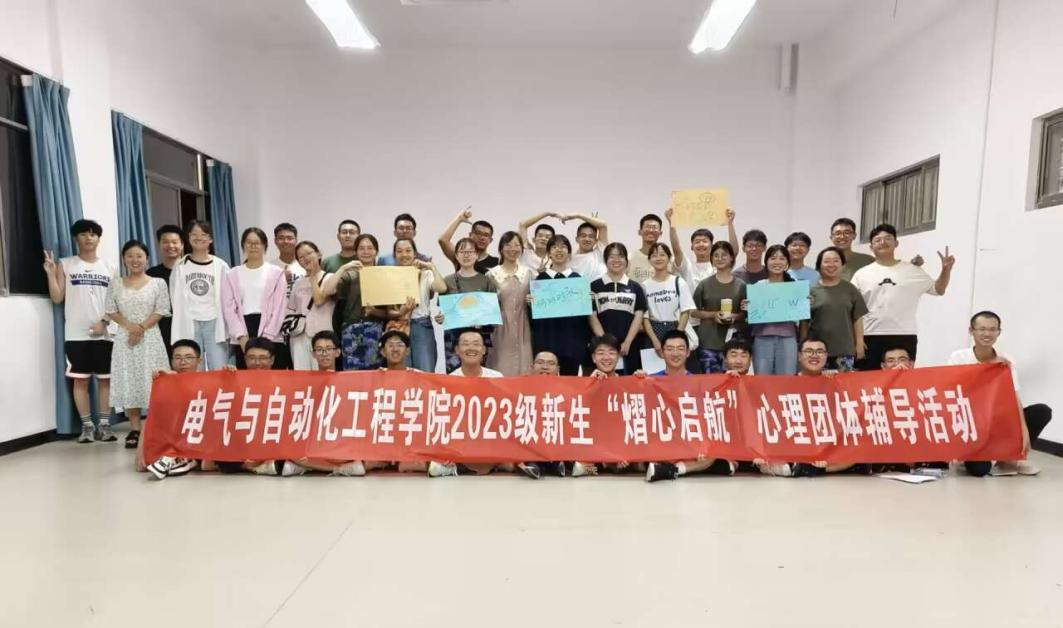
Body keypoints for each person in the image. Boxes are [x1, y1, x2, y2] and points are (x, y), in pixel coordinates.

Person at [947, 311, 1051, 476]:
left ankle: (1008, 458)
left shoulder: (1006, 360)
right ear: (971, 331)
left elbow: (1014, 396)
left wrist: (1024, 430)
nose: (987, 334)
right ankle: (977, 456)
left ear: (998, 332)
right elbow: (954, 393)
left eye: (992, 329)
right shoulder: (958, 357)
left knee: (1041, 411)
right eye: (982, 329)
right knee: (979, 470)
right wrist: (988, 368)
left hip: (998, 420)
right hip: (973, 423)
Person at [43, 219, 117, 443]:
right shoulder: (66, 264)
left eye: (93, 234)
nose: (88, 238)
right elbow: (57, 297)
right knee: (80, 381)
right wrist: (50, 273)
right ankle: (87, 426)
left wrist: (104, 322)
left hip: (105, 333)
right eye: (84, 234)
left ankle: (104, 425)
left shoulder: (110, 266)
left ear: (98, 239)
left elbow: (116, 301)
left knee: (105, 381)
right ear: (76, 238)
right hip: (76, 334)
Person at [851, 223, 954, 370]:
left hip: (904, 334)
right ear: (871, 247)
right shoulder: (861, 274)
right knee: (868, 379)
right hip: (870, 334)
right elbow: (854, 308)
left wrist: (945, 270)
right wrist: (858, 339)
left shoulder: (912, 270)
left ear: (896, 243)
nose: (883, 242)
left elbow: (938, 290)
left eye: (888, 238)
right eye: (877, 240)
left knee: (903, 379)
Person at [105, 240, 172, 450]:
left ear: (147, 259)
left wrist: (140, 328)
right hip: (125, 338)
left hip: (150, 337)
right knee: (129, 380)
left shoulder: (158, 283)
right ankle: (135, 428)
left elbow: (161, 309)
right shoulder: (115, 283)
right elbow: (111, 309)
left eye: (139, 256)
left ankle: (155, 427)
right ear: (124, 259)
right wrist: (130, 327)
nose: (135, 260)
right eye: (130, 256)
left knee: (154, 381)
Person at [644, 330, 736, 482]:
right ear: (662, 353)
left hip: (690, 441)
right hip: (663, 440)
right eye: (670, 349)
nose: (675, 353)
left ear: (688, 353)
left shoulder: (699, 383)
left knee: (713, 452)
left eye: (680, 349)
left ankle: (674, 470)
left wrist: (733, 382)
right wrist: (637, 382)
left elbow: (705, 420)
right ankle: (694, 467)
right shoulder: (650, 381)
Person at [428, 330, 510, 477]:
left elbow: (505, 415)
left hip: (490, 437)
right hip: (461, 439)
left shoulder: (497, 377)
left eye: (476, 344)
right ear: (457, 350)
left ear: (484, 350)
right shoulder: (449, 381)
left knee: (508, 460)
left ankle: (459, 467)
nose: (471, 348)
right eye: (465, 344)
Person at [785, 337, 869, 477]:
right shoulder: (786, 384)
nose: (814, 355)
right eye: (809, 351)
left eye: (820, 352)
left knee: (861, 446)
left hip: (828, 440)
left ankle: (818, 469)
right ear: (799, 356)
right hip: (800, 438)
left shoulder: (836, 381)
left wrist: (838, 384)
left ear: (826, 356)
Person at [320, 234, 391, 370]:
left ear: (376, 251)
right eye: (361, 248)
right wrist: (343, 268)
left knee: (374, 372)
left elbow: (389, 312)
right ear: (356, 251)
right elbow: (328, 290)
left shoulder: (383, 275)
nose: (366, 252)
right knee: (351, 373)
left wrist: (374, 311)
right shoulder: (350, 274)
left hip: (375, 329)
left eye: (370, 248)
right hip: (351, 329)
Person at [222, 228, 289, 369]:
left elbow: (279, 308)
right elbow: (228, 308)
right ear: (243, 245)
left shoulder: (276, 273)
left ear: (265, 246)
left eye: (257, 243)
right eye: (249, 242)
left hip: (270, 330)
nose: (253, 246)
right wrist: (240, 336)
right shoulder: (232, 274)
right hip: (243, 330)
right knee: (245, 376)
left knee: (273, 375)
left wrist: (267, 337)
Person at [170, 220, 230, 370]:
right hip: (190, 321)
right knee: (193, 369)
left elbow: (228, 297)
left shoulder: (221, 265)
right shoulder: (180, 266)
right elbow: (174, 297)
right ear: (188, 237)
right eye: (194, 234)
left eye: (203, 234)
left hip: (214, 321)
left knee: (219, 367)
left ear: (211, 239)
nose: (199, 238)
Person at [145, 339, 207, 479]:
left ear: (199, 360)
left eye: (189, 357)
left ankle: (178, 459)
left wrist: (230, 374)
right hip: (173, 438)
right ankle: (176, 459)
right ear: (171, 361)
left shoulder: (209, 382)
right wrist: (141, 454)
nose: (183, 362)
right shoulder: (166, 381)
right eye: (178, 358)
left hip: (198, 436)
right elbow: (153, 418)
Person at [530, 235, 592, 376]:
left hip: (572, 343)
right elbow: (534, 318)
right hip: (546, 341)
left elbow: (584, 318)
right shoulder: (539, 281)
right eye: (554, 247)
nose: (559, 250)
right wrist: (530, 303)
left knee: (569, 383)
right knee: (546, 384)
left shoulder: (577, 280)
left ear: (569, 253)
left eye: (563, 247)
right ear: (549, 253)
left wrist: (588, 300)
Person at [436, 237, 498, 373]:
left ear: (476, 255)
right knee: (455, 375)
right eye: (462, 252)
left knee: (479, 374)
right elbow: (444, 311)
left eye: (470, 252)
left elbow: (493, 313)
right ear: (456, 255)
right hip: (454, 338)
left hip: (479, 337)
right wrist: (441, 318)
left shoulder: (486, 281)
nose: (466, 255)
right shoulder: (448, 281)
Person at [589, 243, 648, 375]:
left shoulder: (635, 287)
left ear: (626, 260)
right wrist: (606, 344)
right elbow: (592, 316)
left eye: (620, 256)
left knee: (628, 382)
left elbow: (638, 316)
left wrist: (627, 342)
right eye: (612, 257)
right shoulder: (594, 286)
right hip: (603, 348)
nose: (616, 260)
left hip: (629, 346)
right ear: (605, 260)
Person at [806, 247, 867, 373]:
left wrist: (860, 342)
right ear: (819, 266)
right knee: (818, 384)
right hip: (816, 351)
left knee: (843, 383)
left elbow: (857, 318)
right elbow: (804, 322)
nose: (831, 265)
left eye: (836, 261)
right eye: (827, 261)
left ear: (842, 265)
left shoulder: (850, 289)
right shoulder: (811, 291)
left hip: (844, 350)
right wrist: (803, 345)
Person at [691, 241, 747, 374]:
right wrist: (713, 314)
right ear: (711, 259)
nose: (720, 258)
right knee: (711, 382)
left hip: (733, 345)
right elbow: (693, 311)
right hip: (708, 341)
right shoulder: (704, 284)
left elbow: (745, 314)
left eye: (724, 255)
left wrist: (734, 317)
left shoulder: (741, 285)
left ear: (731, 257)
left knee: (733, 381)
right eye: (716, 255)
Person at [392, 238, 447, 372]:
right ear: (394, 255)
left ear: (415, 253)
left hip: (421, 324)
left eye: (408, 250)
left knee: (424, 371)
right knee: (401, 372)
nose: (404, 254)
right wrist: (401, 312)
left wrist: (431, 266)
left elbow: (442, 288)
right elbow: (388, 310)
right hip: (398, 327)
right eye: (399, 251)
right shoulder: (390, 275)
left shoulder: (425, 273)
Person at [748, 245, 804, 375]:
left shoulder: (795, 287)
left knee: (787, 378)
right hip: (762, 336)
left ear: (787, 263)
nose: (777, 262)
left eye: (782, 258)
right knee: (762, 378)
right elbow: (753, 314)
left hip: (788, 337)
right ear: (766, 262)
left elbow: (801, 314)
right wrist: (747, 306)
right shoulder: (758, 286)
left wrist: (806, 302)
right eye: (773, 258)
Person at [487, 232, 534, 375]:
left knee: (525, 367)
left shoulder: (528, 273)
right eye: (508, 245)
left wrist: (533, 301)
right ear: (501, 248)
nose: (512, 249)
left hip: (524, 327)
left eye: (516, 245)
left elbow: (539, 301)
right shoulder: (492, 274)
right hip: (500, 329)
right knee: (500, 366)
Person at [641, 243, 696, 366]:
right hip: (653, 332)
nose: (658, 258)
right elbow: (645, 317)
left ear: (669, 258)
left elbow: (685, 311)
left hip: (676, 328)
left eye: (662, 255)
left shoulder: (678, 282)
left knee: (678, 370)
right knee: (654, 373)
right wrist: (654, 340)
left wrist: (677, 337)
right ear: (649, 260)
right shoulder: (645, 285)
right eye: (654, 255)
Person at [287, 241, 336, 370]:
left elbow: (319, 301)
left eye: (309, 253)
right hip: (299, 335)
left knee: (323, 373)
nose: (306, 258)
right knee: (301, 373)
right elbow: (291, 309)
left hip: (323, 335)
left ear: (318, 254)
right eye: (301, 257)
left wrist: (313, 276)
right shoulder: (297, 283)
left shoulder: (330, 278)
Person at [518, 350, 567, 480]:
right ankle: (532, 464)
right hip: (529, 440)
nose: (545, 367)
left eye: (550, 363)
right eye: (540, 362)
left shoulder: (567, 389)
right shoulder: (519, 387)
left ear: (557, 369)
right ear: (532, 367)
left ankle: (557, 463)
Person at [666, 206, 739, 288]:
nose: (701, 244)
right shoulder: (687, 266)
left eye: (705, 241)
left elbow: (733, 252)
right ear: (692, 247)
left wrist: (730, 223)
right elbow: (676, 250)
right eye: (697, 242)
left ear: (712, 246)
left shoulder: (719, 264)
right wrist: (671, 223)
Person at [146, 224, 184, 355]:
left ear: (182, 244)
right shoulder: (151, 274)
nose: (170, 246)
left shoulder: (190, 270)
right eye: (165, 242)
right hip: (161, 329)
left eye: (174, 242)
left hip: (187, 327)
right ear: (160, 245)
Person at [438, 207, 499, 273]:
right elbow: (443, 240)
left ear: (490, 240)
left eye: (486, 235)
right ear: (470, 235)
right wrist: (459, 219)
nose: (482, 238)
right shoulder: (462, 257)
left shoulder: (497, 263)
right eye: (478, 233)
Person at [566, 213, 609, 282]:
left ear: (596, 240)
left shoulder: (600, 253)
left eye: (591, 236)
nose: (587, 239)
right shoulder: (569, 260)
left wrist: (577, 215)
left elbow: (603, 226)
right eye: (583, 236)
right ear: (577, 239)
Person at [628, 214, 663, 284]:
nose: (651, 230)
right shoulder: (629, 258)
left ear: (660, 233)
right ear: (639, 232)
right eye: (647, 227)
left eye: (654, 227)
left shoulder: (666, 259)